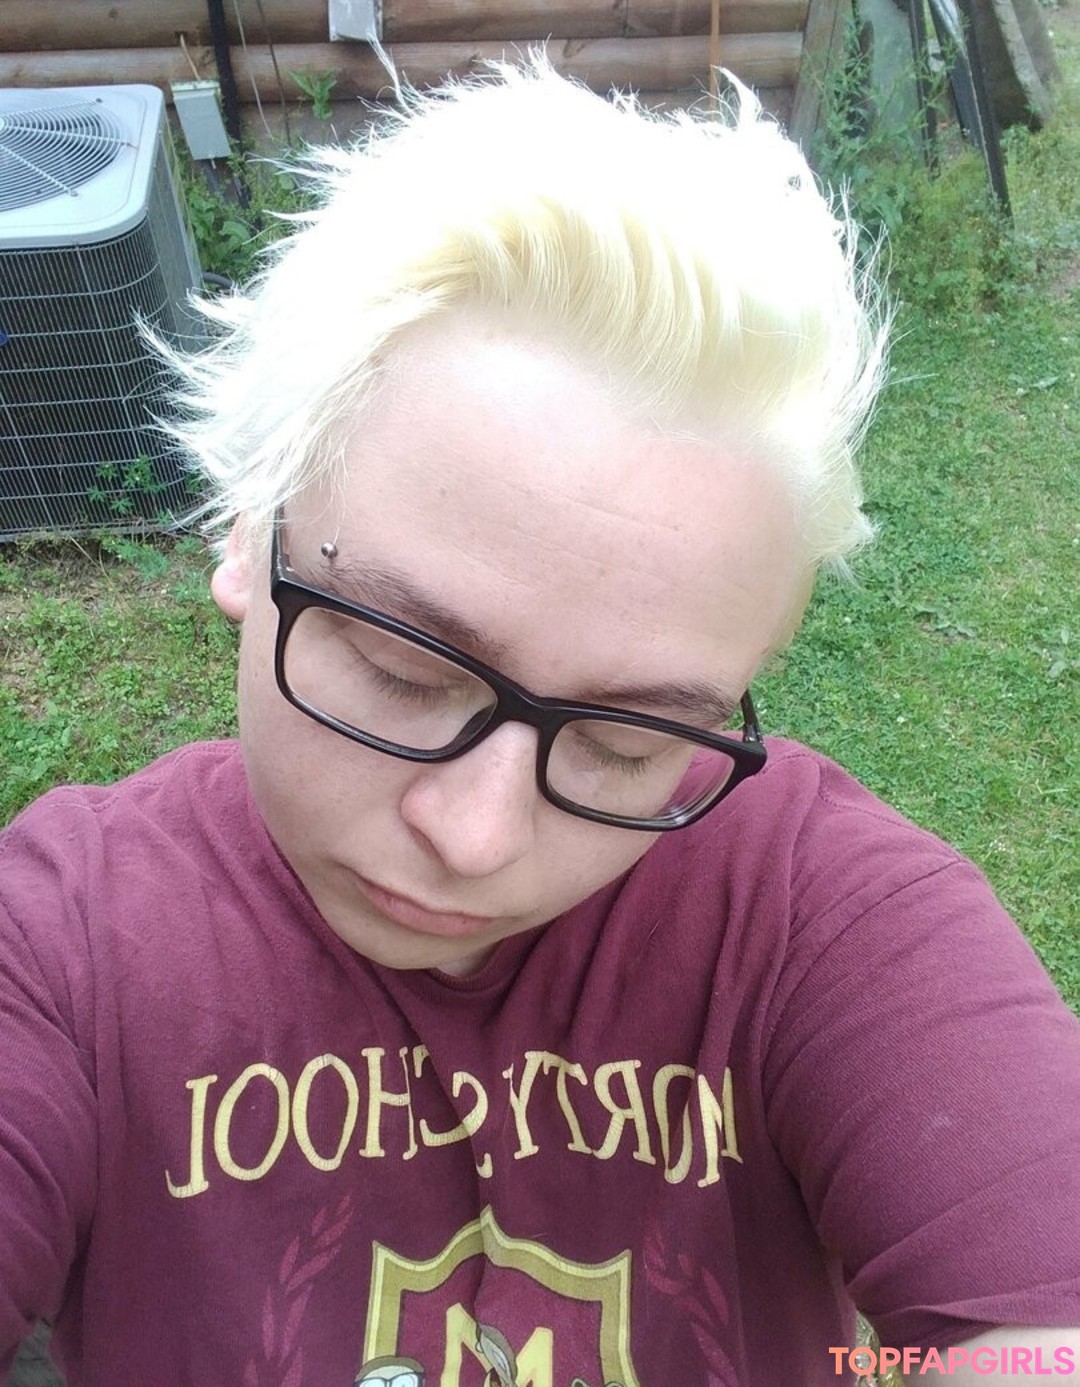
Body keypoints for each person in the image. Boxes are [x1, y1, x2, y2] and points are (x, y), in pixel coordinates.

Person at [1, 56, 1077, 1387]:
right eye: (401, 669)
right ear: (248, 524)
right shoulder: (66, 949)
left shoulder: (820, 921)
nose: (476, 837)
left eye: (629, 743)